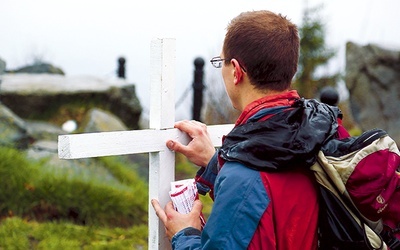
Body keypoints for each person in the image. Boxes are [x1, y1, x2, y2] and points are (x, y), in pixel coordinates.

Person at [151, 10, 349, 249]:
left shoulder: (245, 175)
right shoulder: (327, 131)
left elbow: (252, 190)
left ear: (236, 70)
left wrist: (185, 234)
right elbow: (274, 198)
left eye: (220, 62)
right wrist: (215, 162)